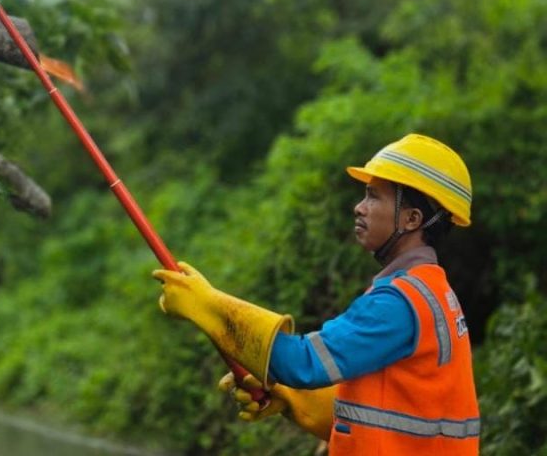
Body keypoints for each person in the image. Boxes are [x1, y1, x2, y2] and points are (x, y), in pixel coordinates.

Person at [153, 133, 480, 455]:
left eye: (373, 196)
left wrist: (209, 306)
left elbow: (304, 362)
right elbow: (392, 411)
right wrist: (291, 398)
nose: (359, 207)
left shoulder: (398, 304)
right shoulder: (426, 293)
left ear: (411, 219)